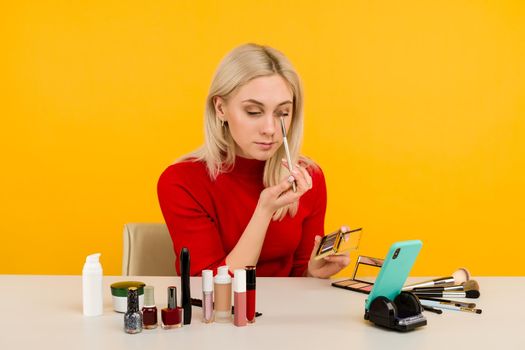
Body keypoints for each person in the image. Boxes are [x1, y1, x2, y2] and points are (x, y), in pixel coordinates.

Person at [157, 43, 349, 277]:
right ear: (220, 109)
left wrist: (315, 272)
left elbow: (299, 280)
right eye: (253, 112)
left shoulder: (309, 177)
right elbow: (209, 287)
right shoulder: (181, 181)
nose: (270, 129)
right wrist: (264, 210)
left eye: (282, 113)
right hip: (216, 311)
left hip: (288, 311)